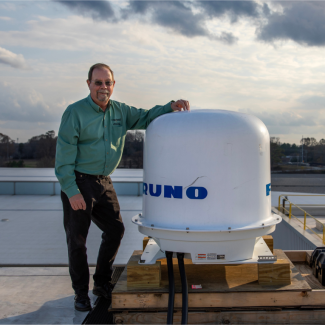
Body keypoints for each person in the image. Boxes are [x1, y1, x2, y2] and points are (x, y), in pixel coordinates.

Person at [55, 63, 190, 311]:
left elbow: (147, 116)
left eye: (107, 83)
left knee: (115, 230)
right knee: (77, 241)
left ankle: (102, 283)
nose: (103, 87)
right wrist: (71, 191)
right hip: (79, 181)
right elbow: (63, 157)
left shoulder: (121, 111)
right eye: (98, 82)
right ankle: (80, 294)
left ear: (113, 85)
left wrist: (170, 107)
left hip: (103, 181)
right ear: (88, 84)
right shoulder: (75, 113)